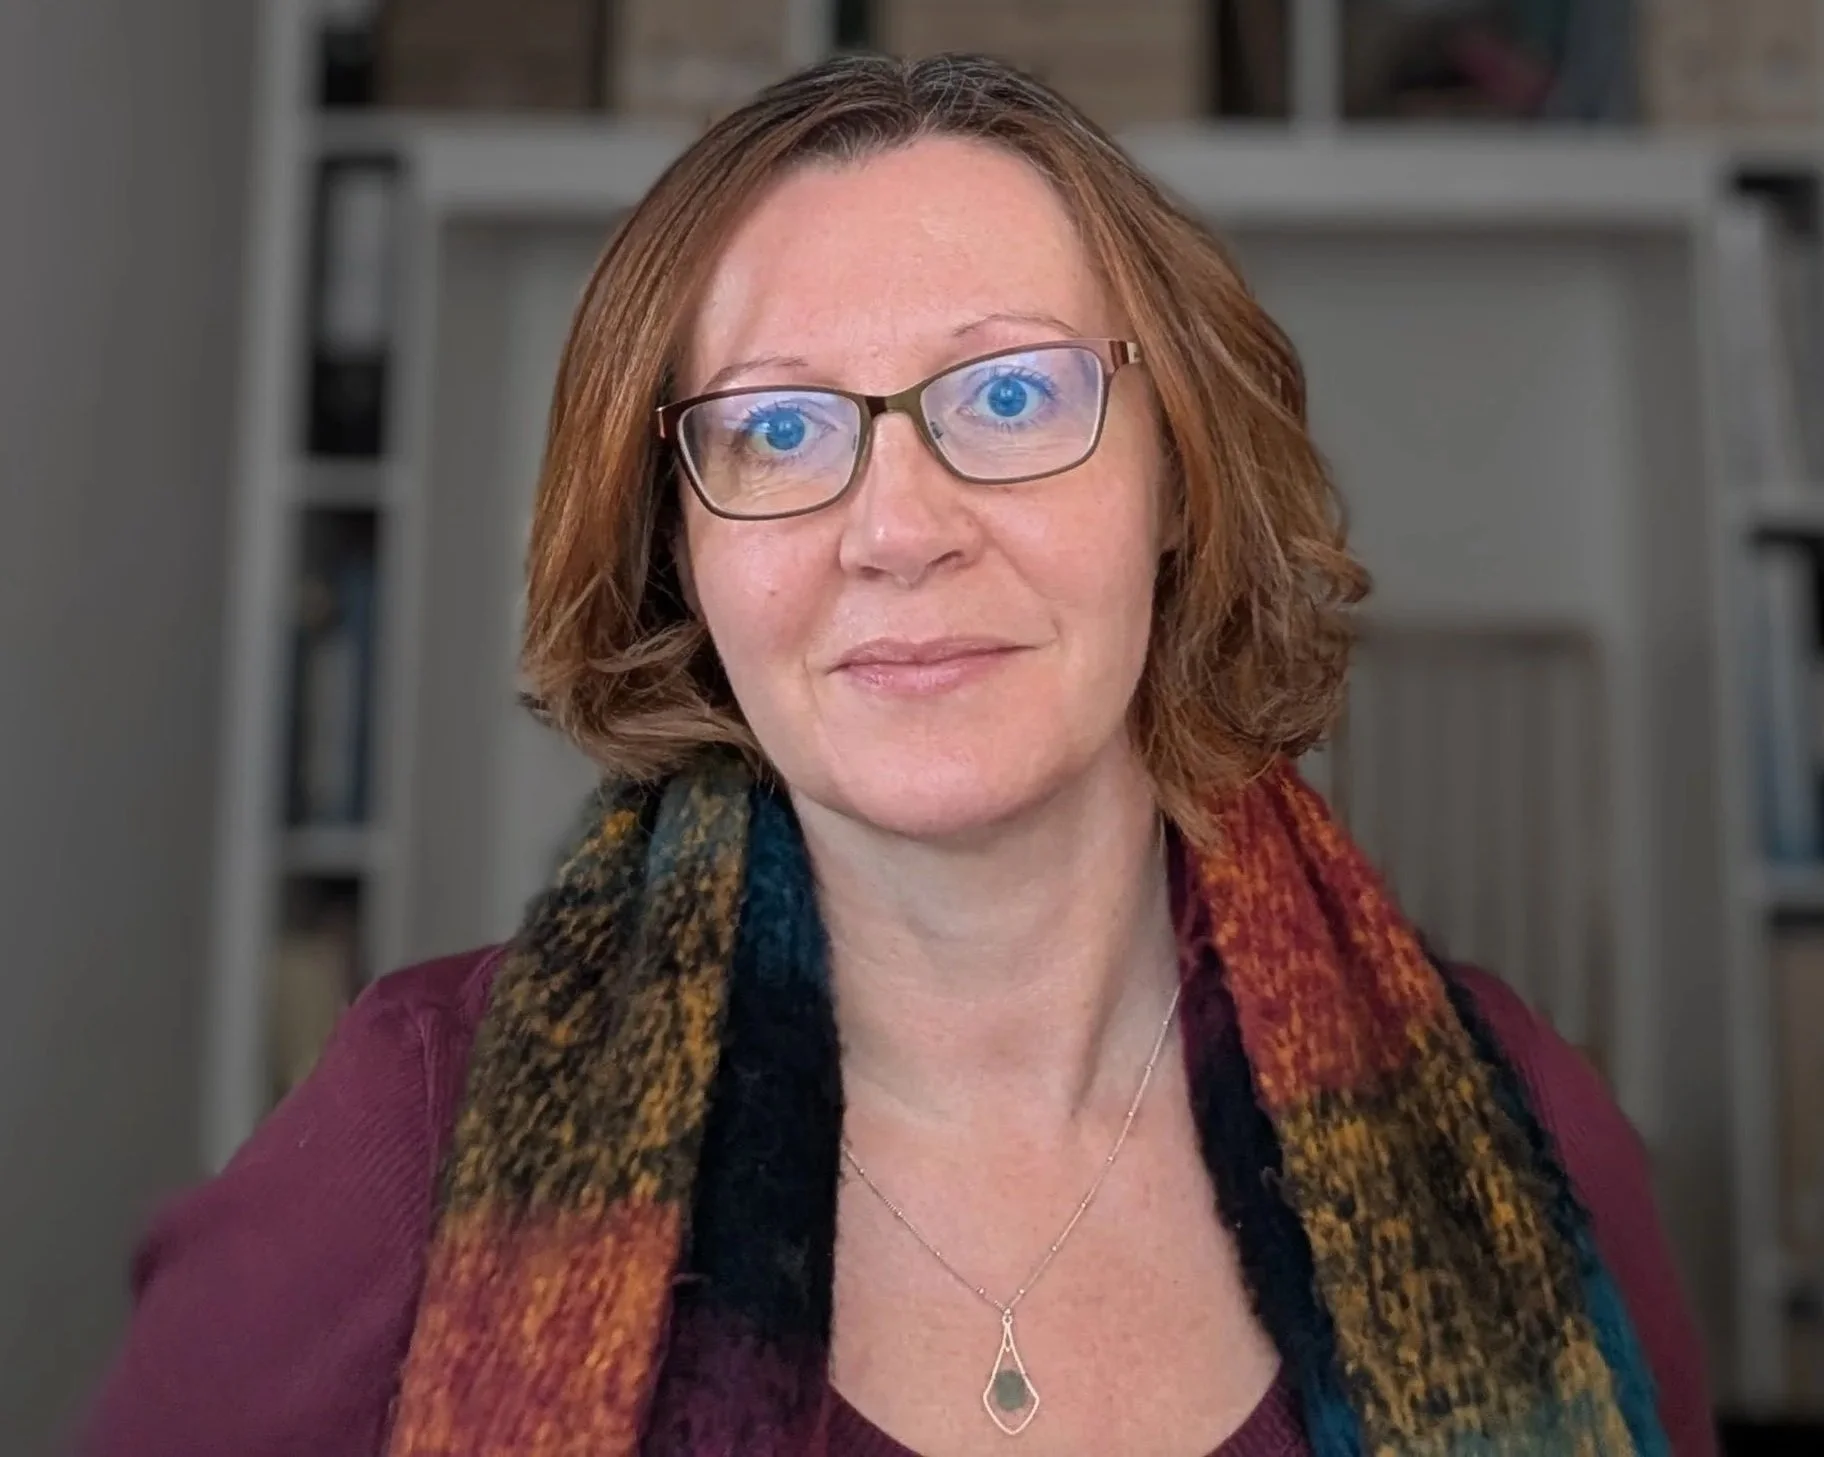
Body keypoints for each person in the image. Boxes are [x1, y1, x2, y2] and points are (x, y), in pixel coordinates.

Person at [80, 51, 1714, 1457]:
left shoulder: (1519, 1120)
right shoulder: (405, 1140)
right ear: (683, 559)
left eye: (1008, 395)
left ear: (1180, 482)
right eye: (778, 430)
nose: (898, 528)